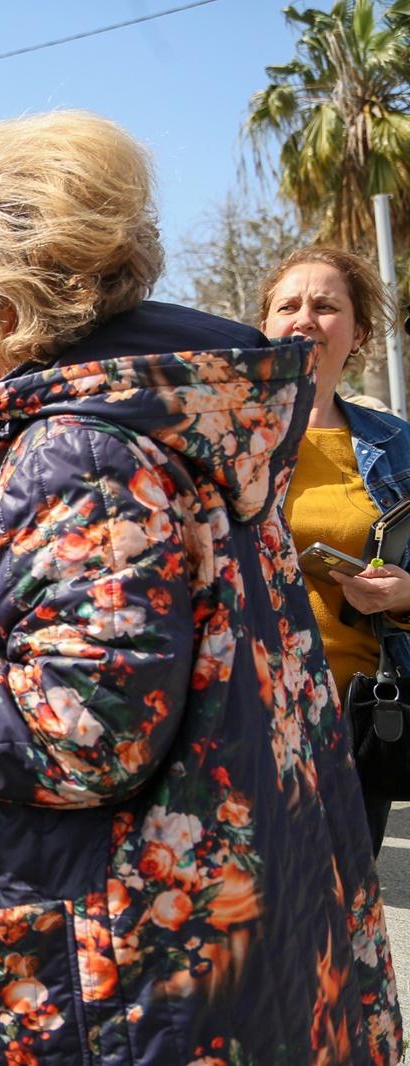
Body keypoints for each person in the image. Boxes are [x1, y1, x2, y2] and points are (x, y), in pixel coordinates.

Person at [0, 112, 399, 1063]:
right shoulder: (172, 417)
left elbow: (82, 728)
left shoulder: (81, 451)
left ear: (4, 289)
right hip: (196, 944)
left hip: (116, 980)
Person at [263, 246, 410, 855]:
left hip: (351, 722)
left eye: (326, 307)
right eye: (287, 305)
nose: (304, 319)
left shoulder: (396, 445)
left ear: (359, 334)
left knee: (337, 923)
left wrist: (405, 594)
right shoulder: (222, 436)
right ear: (264, 327)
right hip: (241, 715)